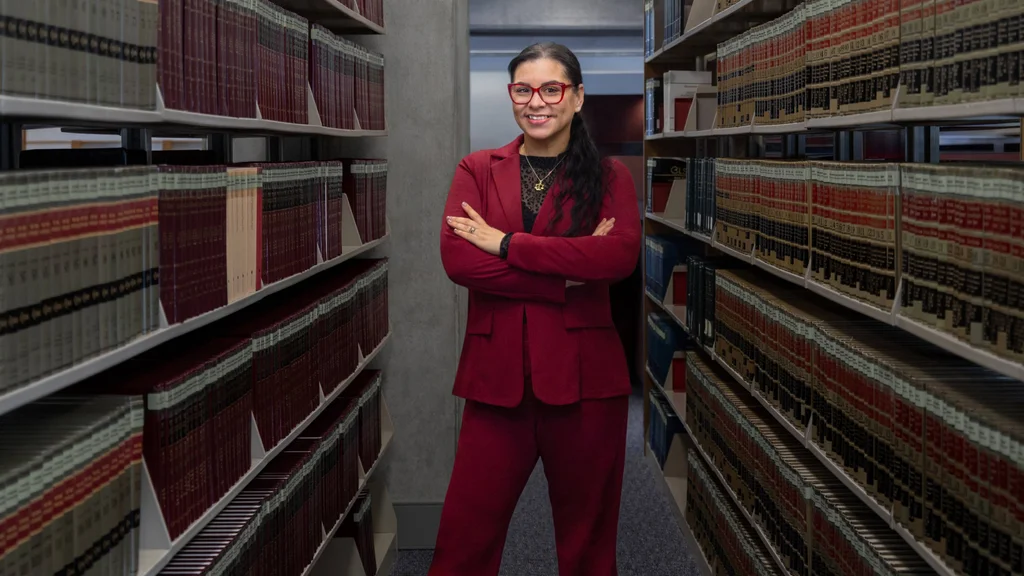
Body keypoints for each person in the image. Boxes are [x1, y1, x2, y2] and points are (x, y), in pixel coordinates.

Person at [430, 42, 641, 576]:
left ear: (576, 97)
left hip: (587, 385)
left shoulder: (612, 177)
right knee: (461, 546)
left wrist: (506, 244)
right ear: (511, 96)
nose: (537, 101)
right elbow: (459, 262)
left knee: (588, 549)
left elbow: (615, 258)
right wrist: (566, 273)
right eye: (523, 89)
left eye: (552, 88)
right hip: (495, 383)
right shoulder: (477, 169)